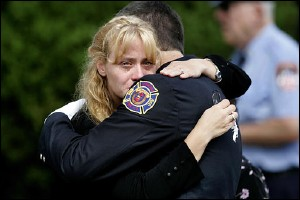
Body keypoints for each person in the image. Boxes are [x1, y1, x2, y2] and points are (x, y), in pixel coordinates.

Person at [39, 2, 250, 199]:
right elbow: (131, 186)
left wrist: (54, 120)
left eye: (147, 62)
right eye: (125, 63)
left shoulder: (166, 87)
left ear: (153, 46)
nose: (139, 75)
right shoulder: (203, 83)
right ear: (101, 66)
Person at [212, 1, 299, 199]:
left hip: (279, 182)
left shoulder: (282, 53)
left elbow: (290, 126)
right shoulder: (241, 56)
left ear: (258, 10)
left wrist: (221, 130)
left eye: (226, 7)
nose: (219, 16)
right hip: (250, 179)